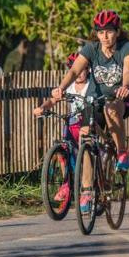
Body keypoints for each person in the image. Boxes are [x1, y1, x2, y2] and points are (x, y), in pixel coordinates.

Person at [53, 10, 129, 215]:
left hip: (122, 100)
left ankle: (121, 152)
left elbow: (127, 71)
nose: (104, 37)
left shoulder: (126, 48)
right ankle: (87, 191)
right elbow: (74, 71)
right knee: (86, 138)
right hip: (94, 101)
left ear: (117, 32)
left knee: (111, 109)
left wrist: (125, 86)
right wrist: (61, 88)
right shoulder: (91, 49)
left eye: (109, 32)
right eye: (100, 32)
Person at [32, 52, 98, 206]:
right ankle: (66, 184)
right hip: (72, 124)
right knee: (63, 149)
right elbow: (53, 100)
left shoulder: (91, 85)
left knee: (87, 149)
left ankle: (88, 189)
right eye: (75, 70)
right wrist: (42, 108)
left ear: (88, 69)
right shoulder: (69, 86)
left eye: (83, 69)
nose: (79, 74)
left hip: (89, 123)